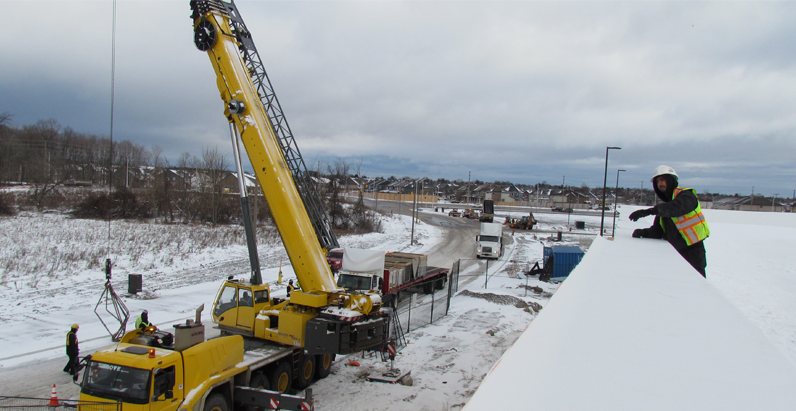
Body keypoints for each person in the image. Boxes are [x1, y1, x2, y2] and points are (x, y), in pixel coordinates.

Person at [629, 165, 710, 277]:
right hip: (674, 254)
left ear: (671, 180)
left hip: (693, 252)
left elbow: (677, 207)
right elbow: (659, 231)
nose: (660, 184)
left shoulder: (687, 195)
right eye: (657, 181)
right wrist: (643, 233)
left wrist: (650, 211)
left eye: (663, 179)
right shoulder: (665, 208)